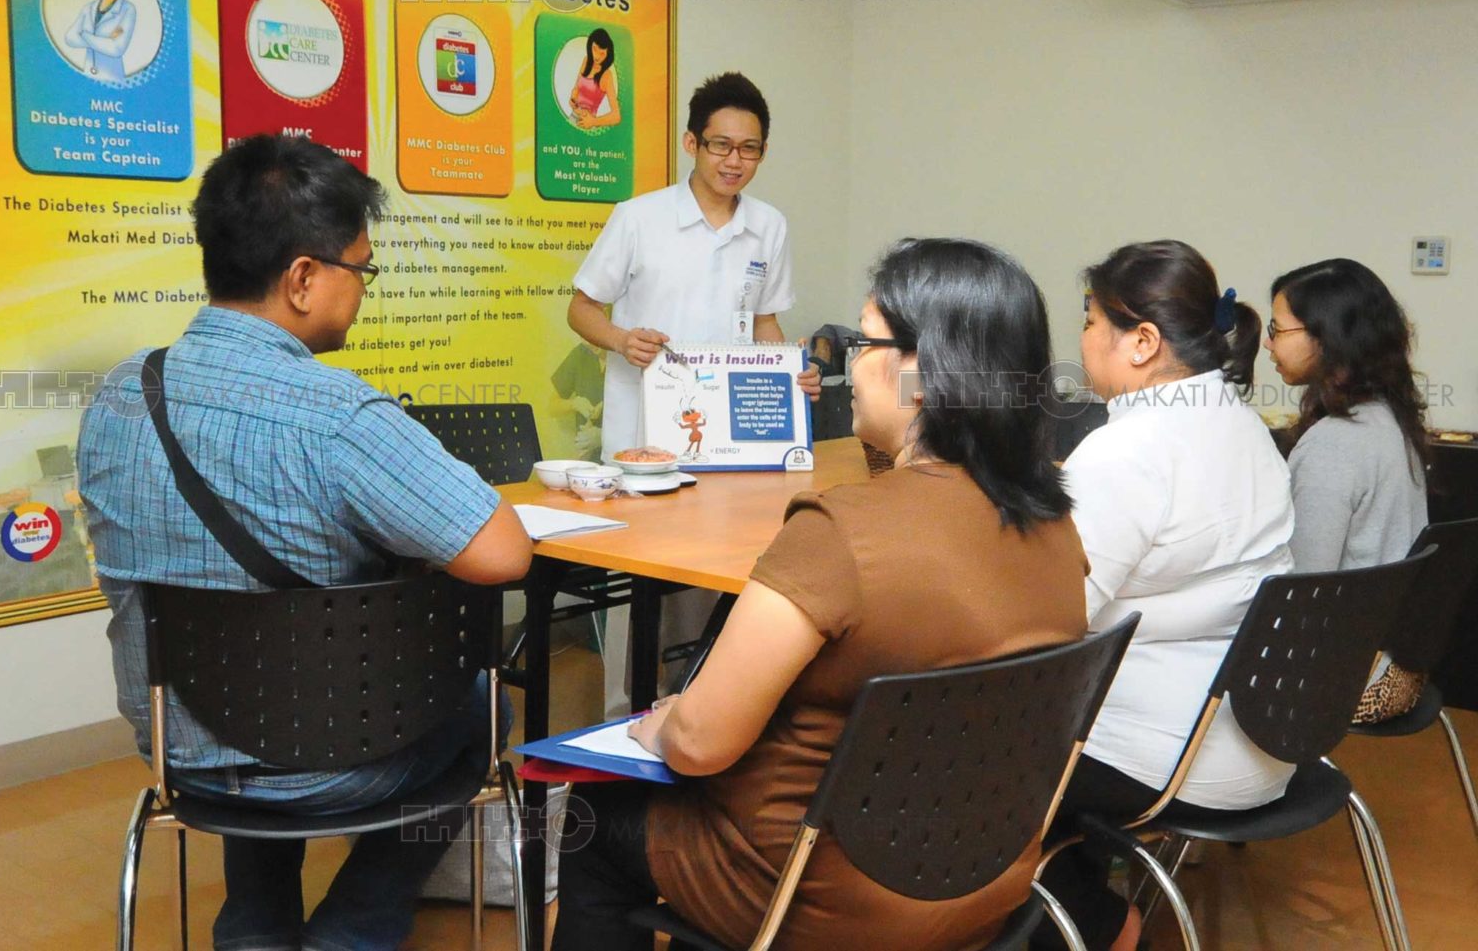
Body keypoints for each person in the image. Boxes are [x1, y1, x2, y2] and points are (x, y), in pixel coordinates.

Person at [551, 238, 1090, 951]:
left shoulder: (838, 532)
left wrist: (663, 723)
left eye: (863, 341)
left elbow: (700, 744)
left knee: (599, 809)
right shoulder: (1058, 528)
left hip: (822, 899)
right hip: (986, 886)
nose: (844, 365)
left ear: (921, 373)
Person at [77, 133, 533, 951]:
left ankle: (254, 929)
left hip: (176, 743)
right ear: (301, 278)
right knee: (481, 704)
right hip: (325, 753)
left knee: (259, 685)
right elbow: (503, 552)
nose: (363, 289)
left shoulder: (118, 394)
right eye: (361, 269)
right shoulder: (337, 415)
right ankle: (353, 931)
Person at [1036, 240, 1295, 951]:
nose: (1083, 338)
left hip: (1167, 754)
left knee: (963, 743)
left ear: (1142, 341)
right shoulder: (1245, 426)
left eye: (1090, 321)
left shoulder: (1128, 450)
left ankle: (1094, 921)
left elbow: (1052, 618)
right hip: (1267, 732)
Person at [566, 71, 821, 716]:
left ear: (763, 153)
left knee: (719, 570)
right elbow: (582, 308)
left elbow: (765, 322)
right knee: (639, 573)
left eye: (749, 149)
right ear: (692, 143)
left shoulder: (769, 226)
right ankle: (622, 713)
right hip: (644, 434)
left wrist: (789, 375)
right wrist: (621, 340)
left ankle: (700, 711)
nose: (734, 161)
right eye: (721, 145)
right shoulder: (640, 218)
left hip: (729, 437)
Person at [1266, 258, 1429, 717]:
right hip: (1394, 661)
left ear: (1326, 337)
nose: (1267, 342)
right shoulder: (1387, 418)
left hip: (1345, 674)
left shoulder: (1335, 443)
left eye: (1278, 330)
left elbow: (1301, 592)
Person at [568, 27, 621, 130]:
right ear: (590, 46)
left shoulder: (607, 75)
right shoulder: (586, 61)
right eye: (595, 49)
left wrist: (593, 122)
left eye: (602, 53)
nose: (597, 56)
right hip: (573, 117)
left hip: (587, 125)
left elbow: (616, 116)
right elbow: (576, 89)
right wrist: (573, 99)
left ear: (607, 54)